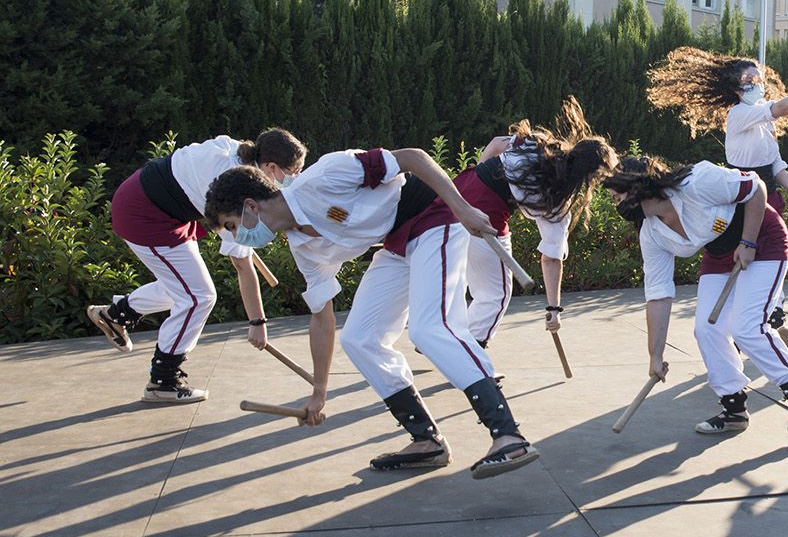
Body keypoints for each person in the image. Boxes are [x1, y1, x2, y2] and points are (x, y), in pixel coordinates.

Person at [204, 146, 540, 479]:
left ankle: (509, 437)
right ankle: (427, 440)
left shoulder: (325, 176)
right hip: (396, 243)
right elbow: (322, 317)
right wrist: (319, 394)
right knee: (360, 337)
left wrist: (461, 206)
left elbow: (413, 157)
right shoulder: (302, 247)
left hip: (434, 217)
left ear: (250, 206)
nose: (237, 236)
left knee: (430, 328)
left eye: (232, 226)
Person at [603, 155, 788, 435]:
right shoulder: (652, 233)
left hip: (763, 238)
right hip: (720, 254)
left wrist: (748, 241)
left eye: (616, 197)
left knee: (747, 328)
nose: (615, 205)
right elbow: (658, 295)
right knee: (706, 329)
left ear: (637, 187)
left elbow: (755, 188)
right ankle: (734, 409)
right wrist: (655, 356)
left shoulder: (698, 181)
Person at [87, 129, 306, 404]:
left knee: (183, 288)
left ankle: (116, 315)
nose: (294, 179)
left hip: (156, 203)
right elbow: (241, 264)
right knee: (198, 296)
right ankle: (163, 380)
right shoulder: (236, 185)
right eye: (293, 171)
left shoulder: (244, 157)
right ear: (271, 166)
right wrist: (257, 322)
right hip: (143, 213)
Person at [646, 48, 788, 342]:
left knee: (771, 258)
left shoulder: (764, 124)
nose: (756, 85)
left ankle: (770, 318)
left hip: (770, 199)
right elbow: (779, 108)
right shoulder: (739, 115)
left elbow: (776, 167)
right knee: (739, 260)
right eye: (748, 80)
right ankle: (755, 325)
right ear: (736, 89)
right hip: (739, 201)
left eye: (759, 78)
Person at [463, 100, 619, 348]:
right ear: (589, 177)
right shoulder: (558, 201)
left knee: (455, 272)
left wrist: (476, 183)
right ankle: (468, 359)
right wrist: (553, 308)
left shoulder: (537, 142)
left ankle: (446, 334)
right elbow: (551, 258)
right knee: (495, 295)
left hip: (456, 190)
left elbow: (494, 144)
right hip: (486, 212)